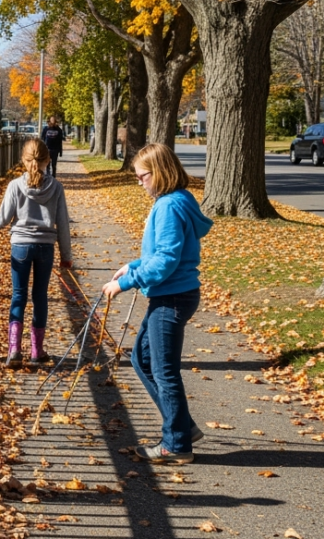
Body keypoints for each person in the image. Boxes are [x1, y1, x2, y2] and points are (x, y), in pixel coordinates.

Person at [103, 143, 213, 465]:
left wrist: (123, 283)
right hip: (173, 294)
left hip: (171, 298)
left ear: (160, 172)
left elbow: (166, 260)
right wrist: (133, 265)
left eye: (142, 176)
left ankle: (176, 443)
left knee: (163, 371)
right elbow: (162, 254)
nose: (139, 182)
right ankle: (182, 427)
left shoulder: (168, 206)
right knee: (142, 359)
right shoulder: (178, 200)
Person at [0, 139, 72, 368]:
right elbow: (62, 223)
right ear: (48, 160)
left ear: (24, 159)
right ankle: (37, 350)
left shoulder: (15, 186)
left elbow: (3, 218)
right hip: (45, 247)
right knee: (40, 296)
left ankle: (14, 350)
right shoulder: (56, 188)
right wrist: (66, 255)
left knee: (18, 295)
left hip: (20, 245)